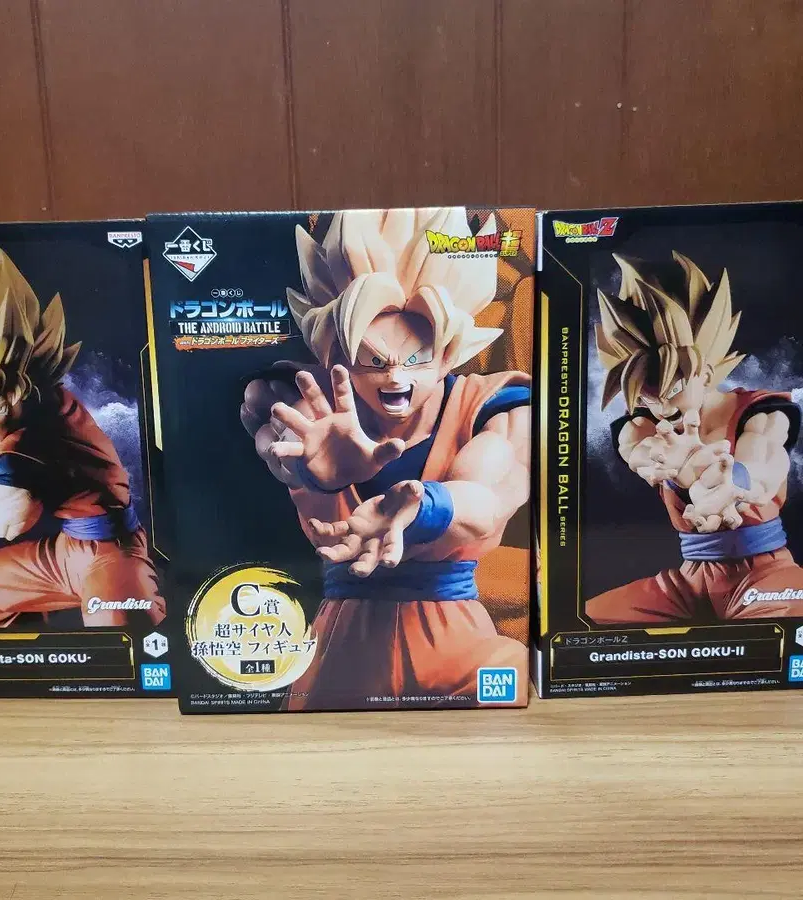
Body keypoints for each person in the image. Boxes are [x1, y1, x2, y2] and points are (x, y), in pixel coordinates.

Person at [241, 208, 530, 708]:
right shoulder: (305, 399)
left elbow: (492, 493)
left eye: (416, 358)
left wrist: (424, 506)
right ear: (338, 354)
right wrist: (313, 472)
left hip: (459, 646)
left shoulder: (494, 406)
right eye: (374, 360)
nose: (396, 377)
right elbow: (276, 444)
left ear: (448, 351)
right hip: (342, 649)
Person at [0, 247, 164, 628]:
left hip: (114, 558)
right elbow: (31, 451)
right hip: (68, 551)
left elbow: (6, 525)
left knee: (121, 645)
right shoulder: (50, 399)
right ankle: (34, 652)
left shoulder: (21, 448)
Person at [588, 251, 803, 623]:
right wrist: (672, 465)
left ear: (703, 373)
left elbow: (764, 465)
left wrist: (730, 481)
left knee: (772, 631)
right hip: (689, 581)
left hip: (766, 572)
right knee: (589, 623)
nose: (661, 407)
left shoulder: (763, 412)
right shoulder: (641, 425)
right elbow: (641, 451)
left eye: (671, 389)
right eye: (647, 396)